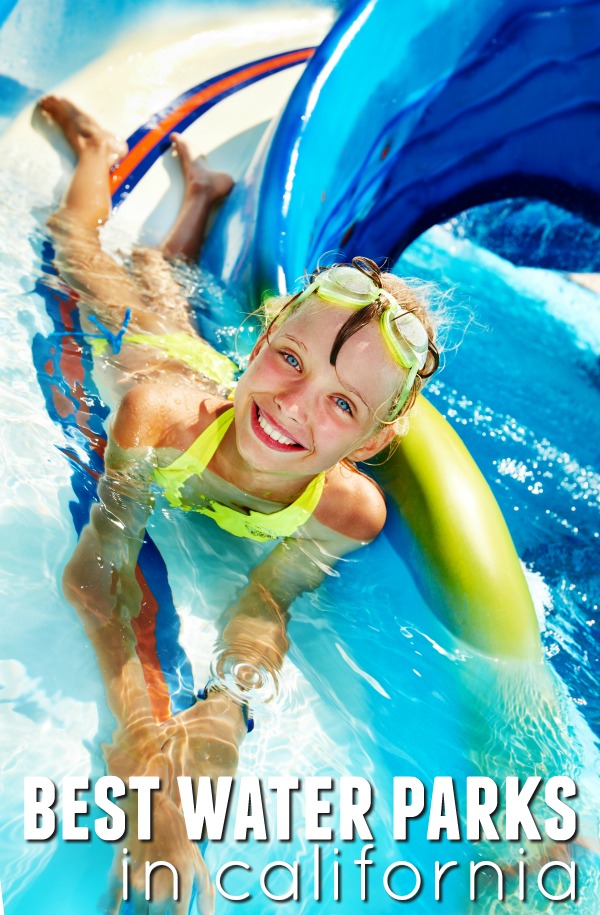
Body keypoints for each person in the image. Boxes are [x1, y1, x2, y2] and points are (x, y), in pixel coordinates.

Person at [39, 96, 439, 914]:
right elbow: (97, 575)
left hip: (186, 357)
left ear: (368, 441)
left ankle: (201, 195)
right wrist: (149, 758)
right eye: (289, 358)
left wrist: (221, 717)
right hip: (155, 361)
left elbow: (266, 603)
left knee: (164, 282)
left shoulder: (347, 510)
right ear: (258, 344)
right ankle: (96, 148)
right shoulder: (156, 416)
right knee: (86, 256)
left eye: (342, 405)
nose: (295, 404)